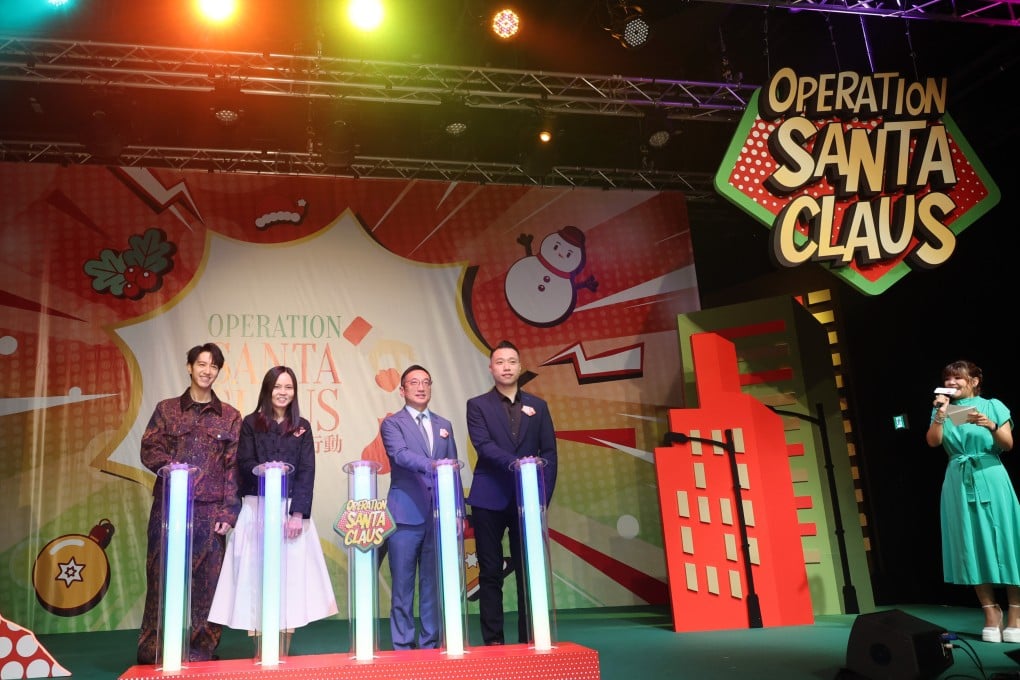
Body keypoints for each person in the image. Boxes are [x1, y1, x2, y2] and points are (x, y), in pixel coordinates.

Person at [209, 366, 337, 655]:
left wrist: (297, 515)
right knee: (255, 579)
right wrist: (263, 470)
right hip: (257, 508)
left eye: (288, 387)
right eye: (277, 386)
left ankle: (283, 653)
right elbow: (243, 463)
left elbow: (307, 471)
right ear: (267, 389)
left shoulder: (302, 426)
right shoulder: (251, 423)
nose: (283, 392)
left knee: (289, 582)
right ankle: (261, 653)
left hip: (290, 511)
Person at [137, 343, 241, 664]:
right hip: (170, 506)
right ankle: (154, 646)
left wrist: (229, 512)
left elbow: (233, 467)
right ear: (189, 367)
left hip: (210, 511)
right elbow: (149, 448)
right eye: (201, 364)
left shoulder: (230, 417)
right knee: (160, 574)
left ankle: (201, 647)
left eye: (213, 366)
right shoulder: (167, 409)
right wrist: (173, 468)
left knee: (207, 583)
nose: (207, 371)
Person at [466, 340, 557, 646]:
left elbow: (550, 453)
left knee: (528, 573)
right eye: (500, 362)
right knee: (490, 572)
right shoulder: (477, 405)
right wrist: (517, 464)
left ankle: (530, 637)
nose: (506, 367)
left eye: (511, 361)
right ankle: (493, 641)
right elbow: (484, 446)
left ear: (520, 367)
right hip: (488, 499)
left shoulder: (539, 406)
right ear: (491, 368)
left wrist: (542, 497)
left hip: (527, 500)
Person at [927, 359, 1018, 643]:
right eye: (948, 378)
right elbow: (933, 441)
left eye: (958, 378)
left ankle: (1016, 614)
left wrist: (990, 424)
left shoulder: (992, 405)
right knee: (972, 543)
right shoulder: (946, 409)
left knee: (1007, 541)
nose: (951, 382)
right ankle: (991, 613)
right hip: (958, 478)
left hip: (991, 475)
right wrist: (940, 413)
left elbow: (1007, 444)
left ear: (974, 381)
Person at [380, 364, 460, 650]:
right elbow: (400, 455)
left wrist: (457, 511)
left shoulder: (444, 425)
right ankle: (402, 645)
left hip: (437, 516)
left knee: (432, 584)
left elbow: (454, 469)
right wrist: (433, 465)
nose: (421, 387)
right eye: (414, 382)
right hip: (404, 515)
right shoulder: (392, 424)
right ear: (402, 390)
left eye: (426, 382)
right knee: (402, 585)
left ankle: (430, 644)